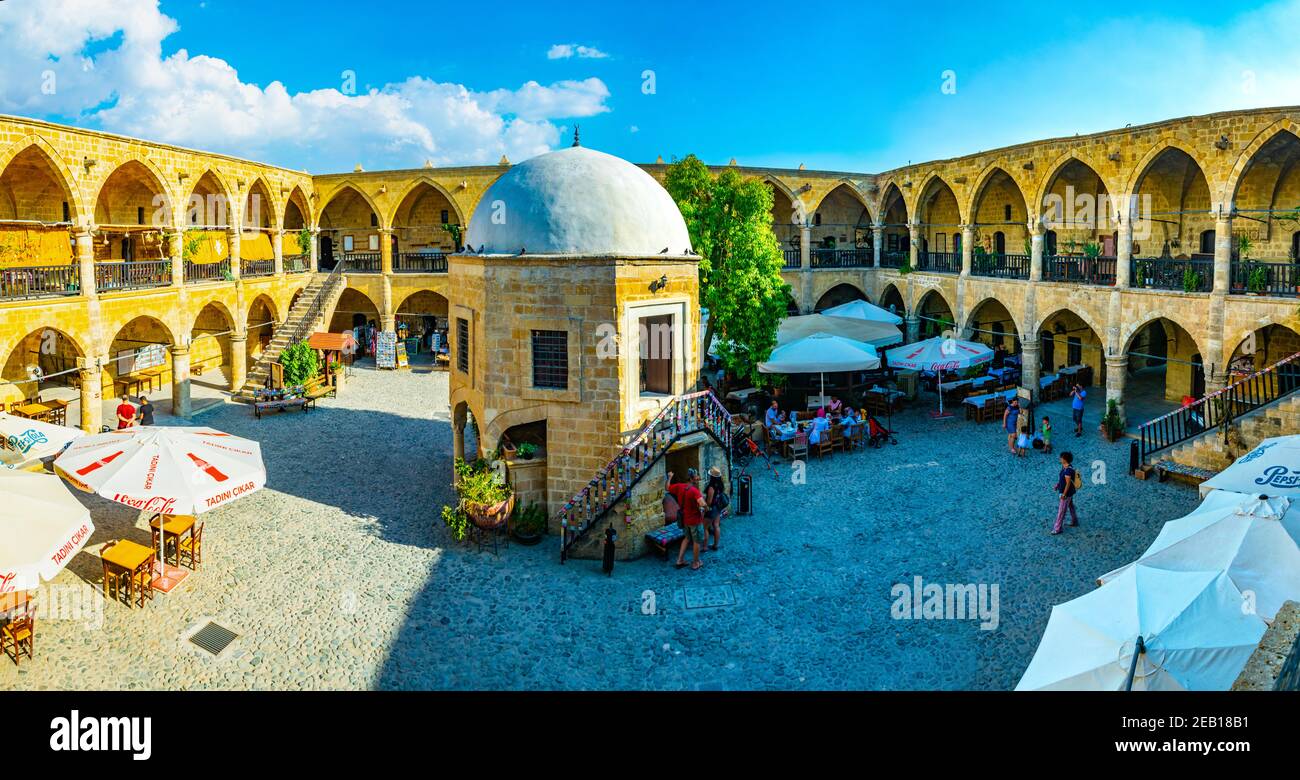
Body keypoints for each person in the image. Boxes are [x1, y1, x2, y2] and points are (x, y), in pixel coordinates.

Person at [667, 469, 708, 570]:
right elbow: (703, 504)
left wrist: (670, 477)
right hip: (695, 520)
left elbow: (667, 487)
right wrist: (706, 509)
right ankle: (695, 563)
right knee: (697, 541)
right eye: (696, 476)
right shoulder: (695, 491)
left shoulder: (680, 486)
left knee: (687, 538)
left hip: (685, 519)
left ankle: (679, 560)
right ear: (691, 478)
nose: (698, 478)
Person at [1051, 451, 1080, 535]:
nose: (1060, 459)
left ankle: (1057, 528)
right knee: (1071, 506)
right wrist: (1057, 485)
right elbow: (1062, 480)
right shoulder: (1066, 467)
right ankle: (1075, 521)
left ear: (1065, 459)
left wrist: (1064, 494)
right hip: (1069, 493)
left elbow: (1068, 483)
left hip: (1066, 494)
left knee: (1061, 511)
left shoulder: (1067, 471)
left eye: (1061, 458)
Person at [703, 466, 727, 551]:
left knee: (705, 527)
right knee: (716, 525)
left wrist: (705, 508)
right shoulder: (720, 485)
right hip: (718, 507)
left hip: (712, 509)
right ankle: (715, 545)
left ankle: (705, 547)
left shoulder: (711, 487)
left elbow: (709, 502)